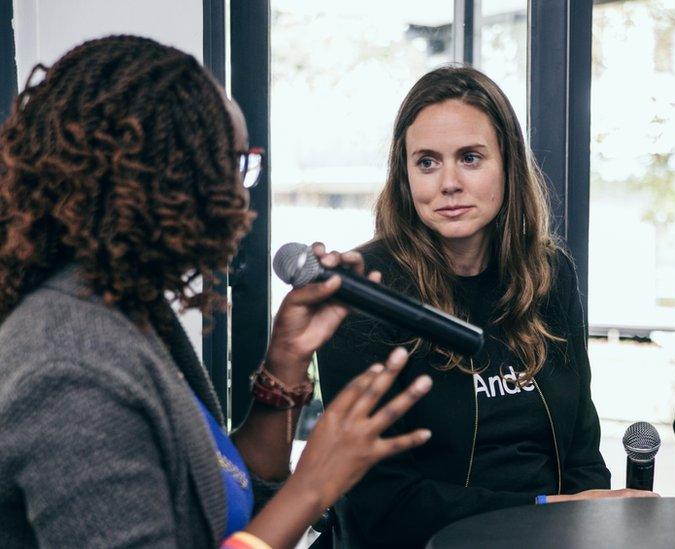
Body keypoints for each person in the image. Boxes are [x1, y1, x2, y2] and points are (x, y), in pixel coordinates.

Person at [0, 35, 433, 548]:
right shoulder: (69, 368)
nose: (240, 196)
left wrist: (287, 361)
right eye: (230, 165)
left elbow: (222, 499)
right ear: (152, 175)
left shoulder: (123, 308)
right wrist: (313, 486)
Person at [317, 66, 651, 548]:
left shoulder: (549, 273)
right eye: (427, 162)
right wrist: (544, 511)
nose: (448, 182)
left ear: (507, 164)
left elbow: (580, 448)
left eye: (470, 158)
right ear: (404, 174)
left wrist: (591, 521)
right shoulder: (367, 289)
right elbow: (378, 503)